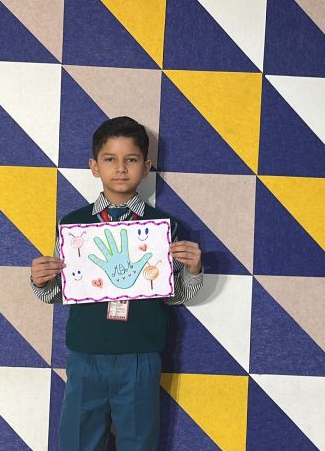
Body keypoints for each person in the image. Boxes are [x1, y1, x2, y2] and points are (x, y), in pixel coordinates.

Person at [30, 116, 203, 450]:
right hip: (86, 352)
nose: (121, 168)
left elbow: (175, 295)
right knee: (77, 442)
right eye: (110, 159)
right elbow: (62, 291)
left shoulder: (164, 226)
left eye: (131, 159)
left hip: (140, 353)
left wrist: (193, 271)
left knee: (138, 443)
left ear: (146, 167)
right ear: (94, 167)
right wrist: (41, 281)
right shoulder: (74, 224)